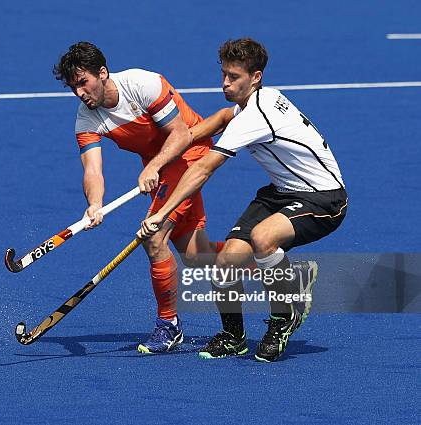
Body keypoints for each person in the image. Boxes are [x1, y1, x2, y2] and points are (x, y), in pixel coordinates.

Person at [140, 38, 347, 362]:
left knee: (264, 239)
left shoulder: (256, 117)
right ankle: (234, 336)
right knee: (226, 262)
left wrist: (161, 214)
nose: (225, 83)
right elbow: (224, 117)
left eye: (233, 77)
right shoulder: (252, 103)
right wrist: (172, 149)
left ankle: (282, 319)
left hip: (323, 200)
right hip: (281, 192)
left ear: (256, 77)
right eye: (223, 74)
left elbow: (203, 169)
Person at [54, 42, 225, 354]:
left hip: (189, 154)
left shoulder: (143, 84)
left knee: (154, 236)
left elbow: (180, 134)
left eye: (83, 83)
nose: (79, 93)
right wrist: (94, 203)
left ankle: (168, 325)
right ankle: (276, 269)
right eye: (72, 87)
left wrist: (154, 166)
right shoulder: (86, 119)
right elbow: (93, 170)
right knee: (196, 256)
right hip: (161, 166)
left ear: (102, 73)